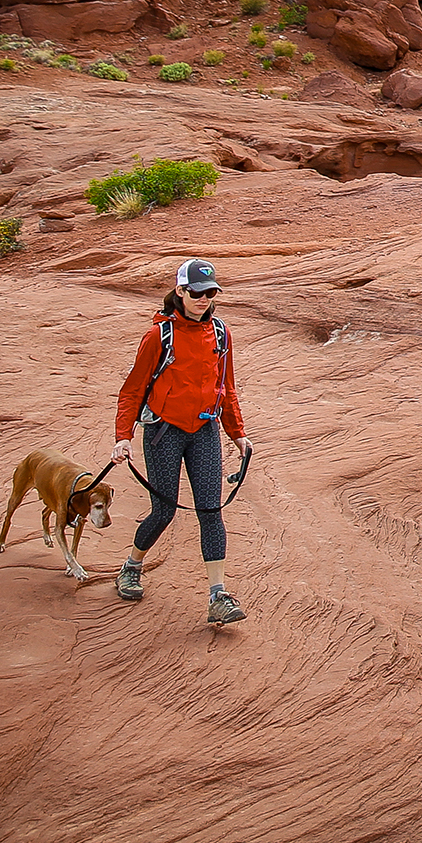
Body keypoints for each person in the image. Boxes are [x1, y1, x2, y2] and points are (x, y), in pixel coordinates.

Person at [111, 256, 252, 625]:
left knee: (210, 510)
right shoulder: (159, 335)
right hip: (163, 431)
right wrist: (122, 437)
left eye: (210, 293)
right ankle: (131, 566)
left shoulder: (219, 333)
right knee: (165, 511)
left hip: (204, 430)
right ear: (180, 292)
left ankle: (218, 596)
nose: (204, 299)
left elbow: (227, 387)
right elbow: (132, 390)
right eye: (197, 293)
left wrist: (237, 434)